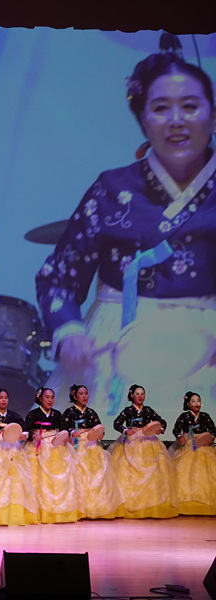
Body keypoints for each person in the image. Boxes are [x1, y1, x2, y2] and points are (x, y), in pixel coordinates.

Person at [35, 50, 216, 430]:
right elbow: (58, 277)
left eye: (190, 106)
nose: (176, 120)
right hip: (115, 343)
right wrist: (70, 333)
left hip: (205, 348)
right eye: (161, 108)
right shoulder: (111, 189)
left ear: (213, 115)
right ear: (143, 121)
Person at [110, 384, 178, 519]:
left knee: (155, 470)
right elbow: (116, 423)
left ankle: (152, 504)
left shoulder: (148, 410)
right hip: (131, 441)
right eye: (137, 394)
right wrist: (125, 430)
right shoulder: (127, 410)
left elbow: (162, 421)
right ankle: (129, 504)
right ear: (132, 395)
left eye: (142, 394)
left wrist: (159, 429)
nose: (140, 396)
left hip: (148, 440)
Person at [62, 384, 124, 519]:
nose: (84, 396)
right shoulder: (69, 412)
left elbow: (99, 427)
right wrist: (72, 432)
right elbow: (63, 428)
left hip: (92, 445)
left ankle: (98, 508)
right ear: (75, 396)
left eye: (86, 393)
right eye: (81, 394)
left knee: (97, 474)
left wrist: (100, 434)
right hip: (77, 445)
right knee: (79, 474)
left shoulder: (91, 412)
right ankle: (80, 508)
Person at [0, 387, 38, 526]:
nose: (4, 400)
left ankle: (14, 514)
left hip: (12, 447)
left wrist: (23, 435)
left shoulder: (14, 416)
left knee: (14, 479)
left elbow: (25, 429)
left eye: (6, 397)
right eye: (1, 397)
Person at [24, 387, 79, 523]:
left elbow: (64, 430)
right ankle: (39, 511)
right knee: (38, 479)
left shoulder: (58, 414)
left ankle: (57, 511)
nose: (50, 400)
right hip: (38, 447)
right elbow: (26, 430)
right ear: (40, 398)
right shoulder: (33, 414)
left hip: (56, 447)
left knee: (57, 479)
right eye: (47, 397)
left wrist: (66, 436)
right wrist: (34, 435)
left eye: (52, 397)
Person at [170, 391, 216, 515]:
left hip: (204, 445)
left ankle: (206, 502)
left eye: (198, 401)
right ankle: (185, 503)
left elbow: (213, 429)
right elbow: (176, 429)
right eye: (193, 401)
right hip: (188, 444)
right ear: (188, 404)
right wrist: (180, 437)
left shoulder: (205, 416)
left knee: (206, 471)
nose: (196, 403)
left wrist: (211, 437)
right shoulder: (184, 416)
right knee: (184, 470)